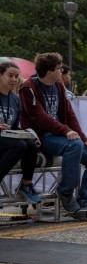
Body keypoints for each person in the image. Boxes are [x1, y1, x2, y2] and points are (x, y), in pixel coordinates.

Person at [19, 53, 87, 221]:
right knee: (74, 145)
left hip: (60, 134)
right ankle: (65, 192)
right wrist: (66, 131)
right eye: (59, 68)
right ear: (49, 71)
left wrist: (82, 136)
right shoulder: (28, 88)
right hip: (42, 136)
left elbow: (68, 114)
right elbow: (39, 118)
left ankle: (85, 203)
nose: (62, 71)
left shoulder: (58, 86)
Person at [0, 62, 41, 209]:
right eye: (10, 75)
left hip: (7, 138)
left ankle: (27, 184)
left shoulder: (16, 99)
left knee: (29, 144)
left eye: (16, 76)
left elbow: (15, 126)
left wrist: (27, 134)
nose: (14, 79)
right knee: (19, 145)